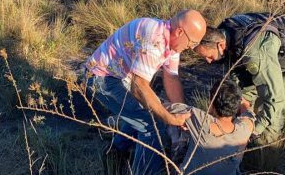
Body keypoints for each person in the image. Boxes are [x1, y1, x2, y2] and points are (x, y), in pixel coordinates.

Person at [85, 9, 207, 174]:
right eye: (192, 43)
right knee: (153, 124)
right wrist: (169, 118)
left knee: (146, 110)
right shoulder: (155, 40)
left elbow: (171, 78)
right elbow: (139, 87)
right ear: (179, 32)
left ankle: (116, 152)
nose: (191, 48)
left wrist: (181, 112)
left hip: (122, 78)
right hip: (101, 78)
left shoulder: (171, 42)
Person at [193, 13, 285, 143]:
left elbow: (275, 98)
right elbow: (236, 73)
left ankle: (267, 144)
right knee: (238, 98)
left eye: (209, 56)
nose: (208, 61)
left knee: (270, 104)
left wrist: (256, 131)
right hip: (275, 58)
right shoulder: (226, 32)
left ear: (220, 45)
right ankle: (234, 134)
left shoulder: (255, 53)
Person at [166, 80, 256, 175]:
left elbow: (164, 107)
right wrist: (241, 101)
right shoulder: (245, 128)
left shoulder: (199, 118)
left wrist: (176, 120)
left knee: (174, 128)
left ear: (211, 102)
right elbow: (249, 113)